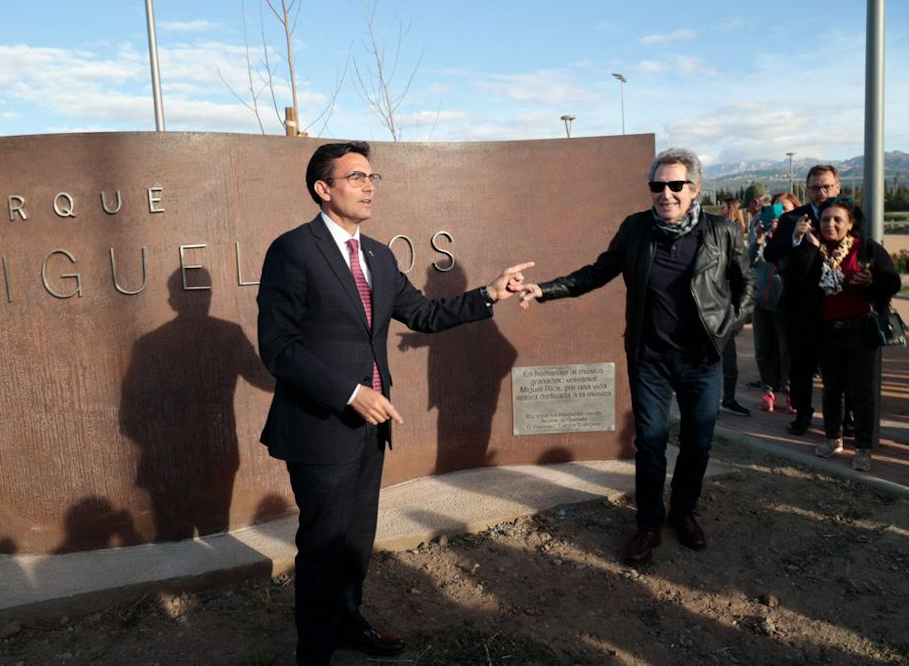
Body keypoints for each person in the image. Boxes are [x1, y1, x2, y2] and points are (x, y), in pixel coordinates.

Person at [256, 141, 532, 664]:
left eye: (372, 176)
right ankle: (313, 654)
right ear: (323, 189)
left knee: (357, 542)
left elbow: (424, 314)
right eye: (356, 177)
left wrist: (490, 294)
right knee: (322, 548)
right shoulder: (292, 251)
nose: (368, 185)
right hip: (320, 427)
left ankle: (348, 624)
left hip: (371, 429)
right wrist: (350, 392)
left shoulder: (378, 256)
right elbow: (279, 348)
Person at [516, 148, 754, 564]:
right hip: (650, 360)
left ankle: (683, 513)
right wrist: (544, 289)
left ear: (694, 189)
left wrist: (728, 326)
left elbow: (745, 285)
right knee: (651, 444)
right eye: (657, 186)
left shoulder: (721, 232)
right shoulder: (636, 230)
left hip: (702, 360)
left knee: (698, 443)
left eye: (676, 185)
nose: (666, 193)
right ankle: (647, 526)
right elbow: (596, 272)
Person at [780, 198, 899, 471]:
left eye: (837, 220)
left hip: (859, 331)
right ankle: (833, 438)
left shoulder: (866, 249)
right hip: (824, 332)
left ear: (850, 223)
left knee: (861, 391)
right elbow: (793, 277)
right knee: (831, 389)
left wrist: (872, 282)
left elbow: (891, 281)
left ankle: (863, 448)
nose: (830, 225)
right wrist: (806, 245)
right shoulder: (813, 249)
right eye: (825, 220)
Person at [764, 165, 842, 435]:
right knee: (801, 365)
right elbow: (771, 253)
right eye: (814, 188)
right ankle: (802, 414)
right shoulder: (792, 218)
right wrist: (796, 237)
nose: (820, 192)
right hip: (799, 304)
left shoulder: (850, 217)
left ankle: (841, 419)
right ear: (806, 190)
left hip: (837, 304)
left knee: (837, 367)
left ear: (837, 187)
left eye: (826, 187)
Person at [748, 192, 797, 412]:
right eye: (775, 209)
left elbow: (792, 263)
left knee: (785, 350)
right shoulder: (760, 231)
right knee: (763, 349)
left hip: (785, 302)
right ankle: (768, 390)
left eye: (785, 209)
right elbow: (748, 261)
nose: (779, 214)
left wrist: (783, 237)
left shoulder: (797, 235)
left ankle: (789, 392)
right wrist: (759, 238)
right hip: (761, 300)